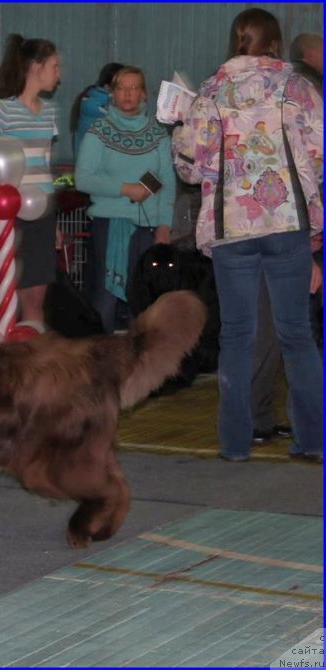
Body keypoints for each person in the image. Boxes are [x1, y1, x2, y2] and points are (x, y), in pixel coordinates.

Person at [172, 8, 323, 463]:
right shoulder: (298, 87)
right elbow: (319, 152)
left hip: (231, 226)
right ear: (276, 42)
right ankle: (314, 441)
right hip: (288, 222)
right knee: (296, 334)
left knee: (237, 336)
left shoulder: (210, 92)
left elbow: (189, 168)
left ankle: (236, 444)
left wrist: (178, 127)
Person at [251, 31, 324, 446]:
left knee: (276, 331)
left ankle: (264, 416)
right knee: (290, 332)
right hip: (286, 231)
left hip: (278, 229)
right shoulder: (301, 98)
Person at [0, 34, 61, 325]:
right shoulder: (1, 110)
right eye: (54, 66)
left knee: (36, 297)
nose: (59, 74)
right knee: (7, 294)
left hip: (41, 210)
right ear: (36, 67)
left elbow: (44, 165)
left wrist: (52, 219)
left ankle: (34, 350)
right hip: (12, 214)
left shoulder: (49, 112)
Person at [75, 65, 175, 333]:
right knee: (104, 298)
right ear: (112, 93)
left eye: (134, 88)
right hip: (109, 225)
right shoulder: (98, 131)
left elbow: (166, 179)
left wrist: (164, 225)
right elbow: (83, 179)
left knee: (143, 300)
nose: (128, 94)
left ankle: (141, 357)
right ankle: (102, 356)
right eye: (122, 88)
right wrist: (125, 189)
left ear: (144, 94)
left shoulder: (158, 134)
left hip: (148, 227)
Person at [69, 61, 124, 159]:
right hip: (91, 164)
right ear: (107, 87)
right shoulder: (93, 105)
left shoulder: (96, 98)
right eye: (122, 86)